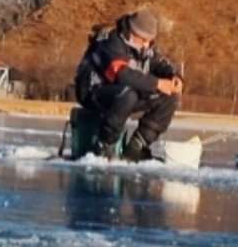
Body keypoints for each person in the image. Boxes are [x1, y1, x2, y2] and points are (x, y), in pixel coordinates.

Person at [73, 9, 182, 161]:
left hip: (126, 92)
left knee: (169, 96)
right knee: (127, 94)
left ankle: (137, 147)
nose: (146, 45)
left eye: (149, 41)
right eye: (142, 39)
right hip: (94, 91)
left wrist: (174, 77)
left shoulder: (146, 48)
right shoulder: (111, 41)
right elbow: (121, 75)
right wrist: (157, 83)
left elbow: (163, 65)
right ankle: (105, 144)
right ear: (132, 32)